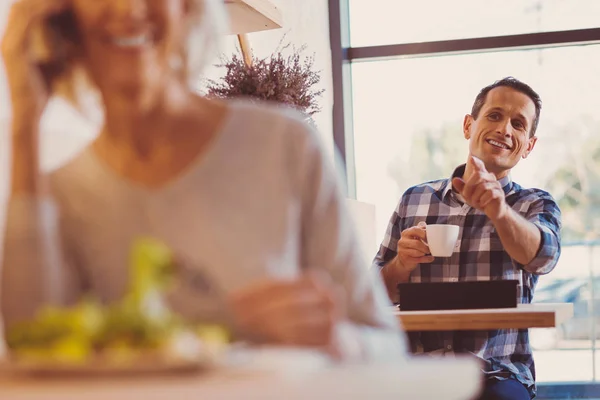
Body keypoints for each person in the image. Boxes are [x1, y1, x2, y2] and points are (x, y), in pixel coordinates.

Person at [0, 0, 406, 361]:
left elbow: (387, 347)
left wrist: (332, 341)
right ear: (63, 14)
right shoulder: (59, 190)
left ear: (188, 7)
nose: (127, 8)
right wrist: (24, 122)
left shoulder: (286, 145)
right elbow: (31, 345)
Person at [374, 77, 561, 399]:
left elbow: (544, 257)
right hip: (416, 371)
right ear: (468, 125)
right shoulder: (414, 198)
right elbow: (374, 295)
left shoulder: (535, 204)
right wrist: (401, 263)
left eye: (518, 124)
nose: (505, 129)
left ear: (528, 146)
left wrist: (499, 210)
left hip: (496, 373)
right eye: (494, 116)